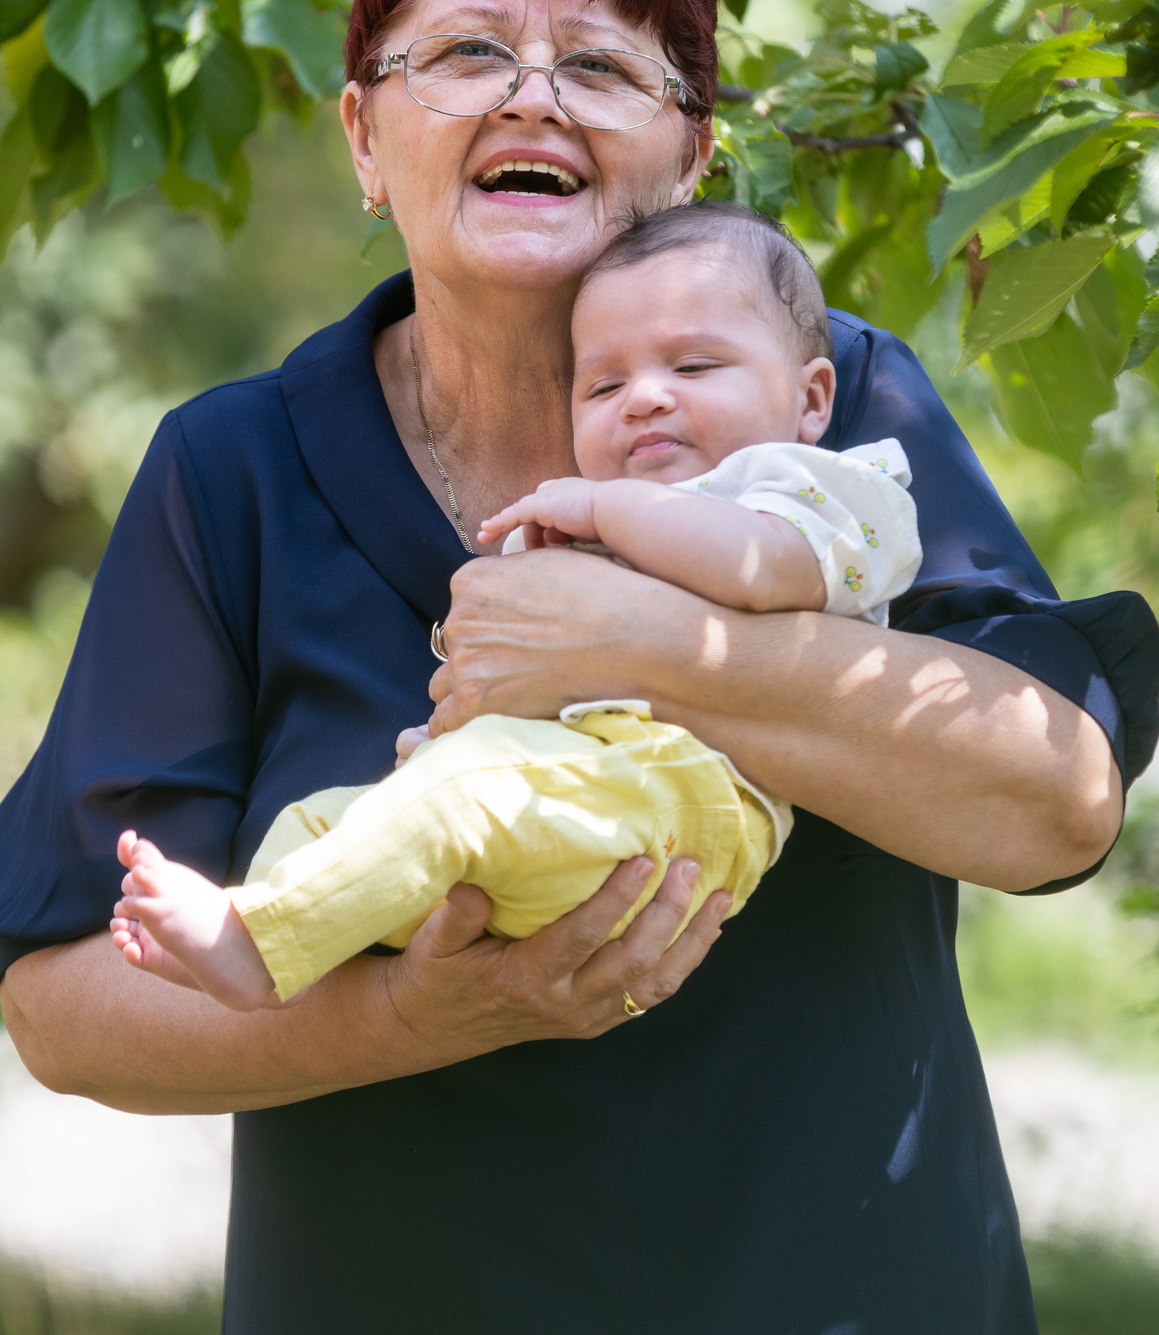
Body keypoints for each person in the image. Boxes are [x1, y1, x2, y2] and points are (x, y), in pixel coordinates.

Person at [0, 0, 1159, 1335]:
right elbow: (64, 1003)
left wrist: (664, 647)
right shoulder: (238, 468)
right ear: (365, 137)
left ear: (690, 155)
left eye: (598, 64)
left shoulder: (821, 404)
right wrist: (409, 1014)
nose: (533, 98)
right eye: (466, 53)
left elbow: (1055, 802)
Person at [105, 202, 925, 1010]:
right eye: (603, 384)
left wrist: (602, 511)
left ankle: (263, 948)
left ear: (813, 399)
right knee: (327, 818)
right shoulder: (607, 521)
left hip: (686, 801)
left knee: (461, 799)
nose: (643, 397)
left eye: (694, 366)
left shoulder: (821, 491)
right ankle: (265, 925)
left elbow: (759, 568)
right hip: (575, 796)